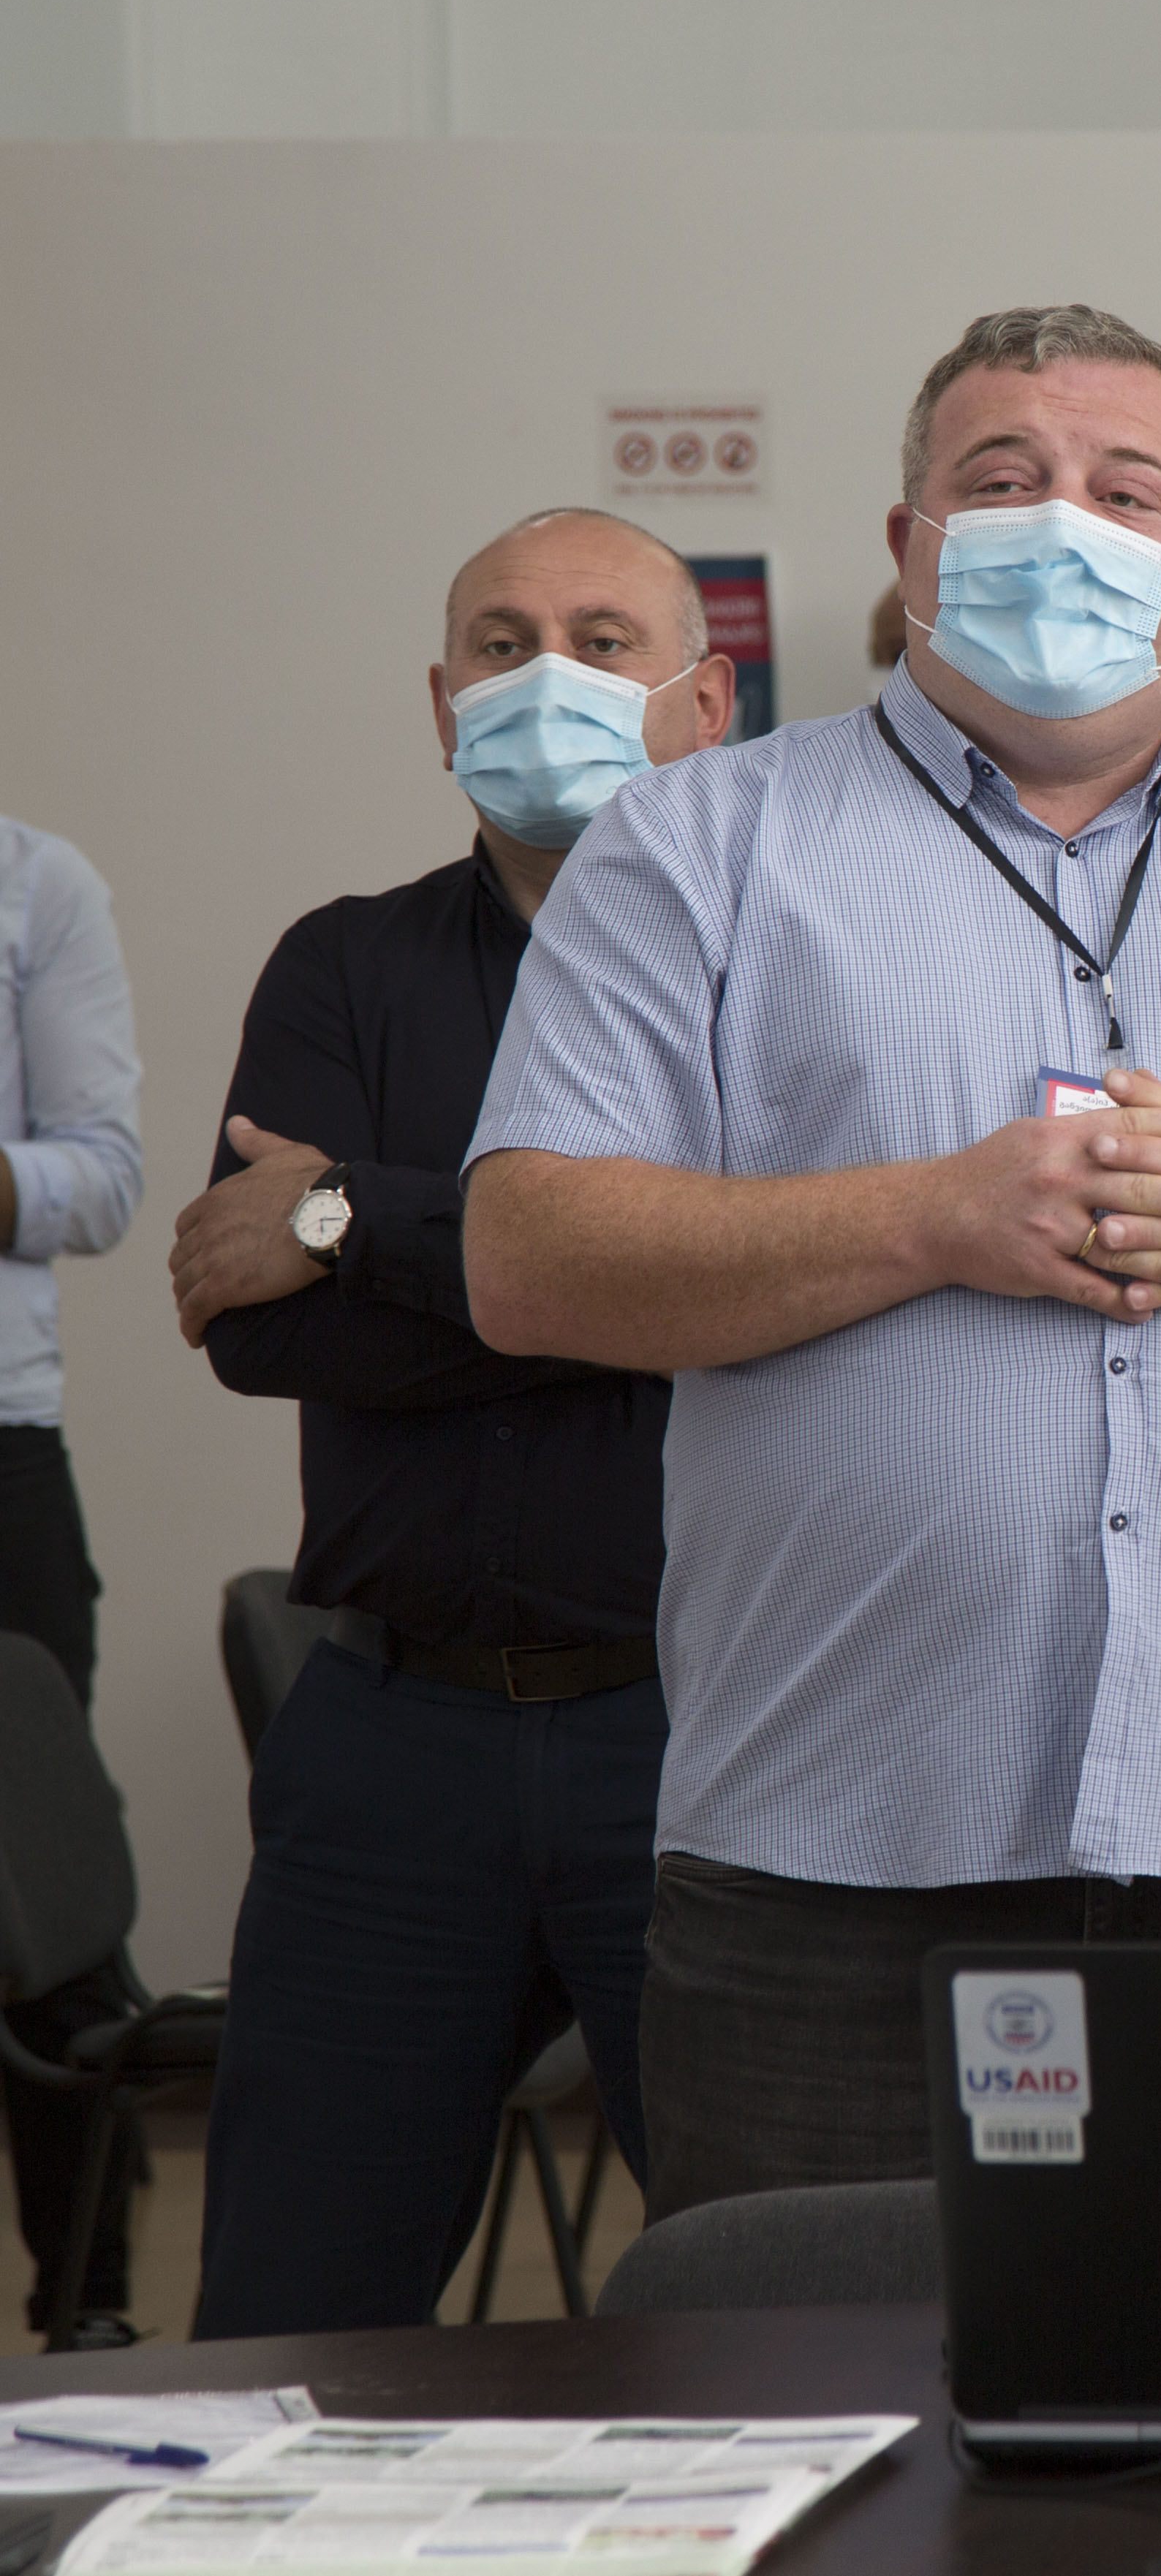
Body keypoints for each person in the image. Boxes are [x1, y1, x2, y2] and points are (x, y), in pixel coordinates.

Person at [460, 306, 1161, 2216]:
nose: (1060, 520)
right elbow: (532, 1257)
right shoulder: (697, 847)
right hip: (833, 1861)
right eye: (1000, 481)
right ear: (908, 547)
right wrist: (932, 1215)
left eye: (1122, 490)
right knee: (810, 2381)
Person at [167, 508, 728, 2337]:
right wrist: (639, 1285)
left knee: (771, 2310)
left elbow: (785, 1288)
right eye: (501, 643)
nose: (545, 675)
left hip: (703, 1741)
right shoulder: (343, 966)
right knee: (288, 2328)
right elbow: (258, 1333)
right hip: (388, 1749)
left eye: (602, 637)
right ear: (440, 703)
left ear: (706, 702)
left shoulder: (788, 970)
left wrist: (355, 1220)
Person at [0, 816, 138, 2349]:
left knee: (35, 1888)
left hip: (1, 1452)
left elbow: (105, 1181)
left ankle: (86, 2299)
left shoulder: (36, 884)